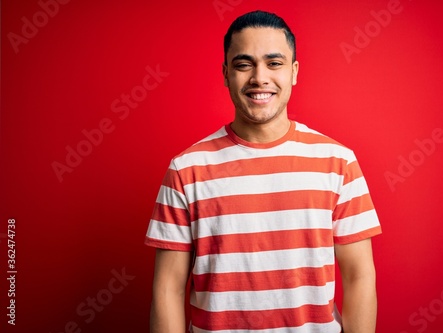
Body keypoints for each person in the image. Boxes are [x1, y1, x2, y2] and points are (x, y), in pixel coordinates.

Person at [145, 10, 381, 333]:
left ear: (294, 72)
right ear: (226, 73)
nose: (259, 78)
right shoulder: (186, 170)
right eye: (244, 65)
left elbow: (359, 277)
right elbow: (168, 289)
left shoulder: (338, 163)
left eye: (274, 63)